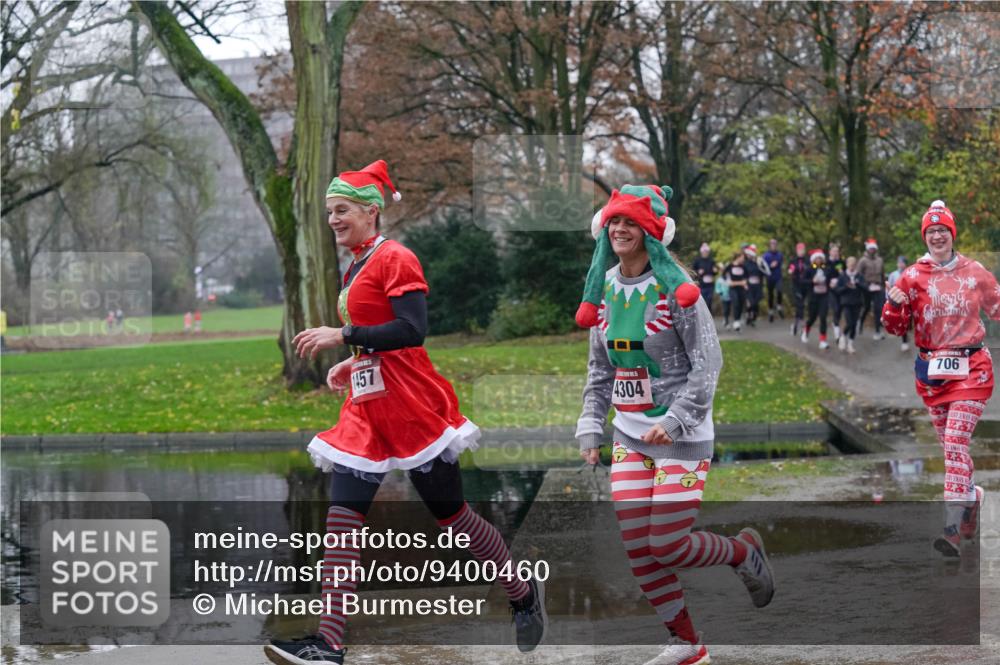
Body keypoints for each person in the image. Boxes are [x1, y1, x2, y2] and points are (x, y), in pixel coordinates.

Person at [264, 160, 547, 665]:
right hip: (367, 413)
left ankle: (521, 591)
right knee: (341, 521)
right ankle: (329, 644)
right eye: (330, 211)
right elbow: (380, 340)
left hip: (414, 408)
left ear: (371, 211)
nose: (333, 219)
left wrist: (343, 336)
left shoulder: (396, 258)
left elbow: (412, 331)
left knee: (453, 517)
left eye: (342, 209)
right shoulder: (357, 263)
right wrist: (352, 366)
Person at [575, 184, 774, 665]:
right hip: (629, 436)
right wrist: (590, 425)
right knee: (639, 549)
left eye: (632, 223)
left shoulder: (677, 290)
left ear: (651, 233)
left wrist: (678, 419)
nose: (621, 230)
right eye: (615, 222)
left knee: (666, 543)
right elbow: (601, 370)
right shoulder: (603, 287)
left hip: (683, 437)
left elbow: (709, 362)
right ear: (605, 230)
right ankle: (687, 644)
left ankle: (742, 553)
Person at [882, 200, 1000, 557]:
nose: (937, 236)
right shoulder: (912, 276)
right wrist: (894, 304)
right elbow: (894, 327)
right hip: (933, 376)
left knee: (954, 442)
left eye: (942, 230)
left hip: (973, 369)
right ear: (925, 236)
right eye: (931, 231)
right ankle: (973, 497)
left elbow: (997, 307)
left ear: (952, 234)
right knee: (952, 448)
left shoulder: (974, 271)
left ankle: (949, 530)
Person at [802, 249, 835, 349]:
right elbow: (803, 282)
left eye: (820, 258)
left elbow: (832, 279)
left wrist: (832, 283)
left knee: (823, 317)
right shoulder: (809, 269)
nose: (819, 260)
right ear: (813, 260)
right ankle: (806, 330)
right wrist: (812, 281)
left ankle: (823, 341)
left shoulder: (827, 269)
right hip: (813, 296)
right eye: (817, 258)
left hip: (824, 296)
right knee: (812, 317)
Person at [833, 256, 866, 354]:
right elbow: (837, 290)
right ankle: (843, 336)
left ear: (855, 265)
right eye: (850, 265)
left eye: (853, 265)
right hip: (846, 303)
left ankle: (850, 344)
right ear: (847, 265)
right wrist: (846, 287)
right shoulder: (842, 276)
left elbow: (865, 288)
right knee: (849, 322)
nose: (852, 267)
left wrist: (858, 284)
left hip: (857, 303)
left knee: (855, 324)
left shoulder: (859, 276)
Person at [858, 238, 885, 340]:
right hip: (867, 287)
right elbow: (858, 275)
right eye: (871, 248)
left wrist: (883, 285)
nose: (872, 250)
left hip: (878, 287)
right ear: (868, 249)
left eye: (874, 248)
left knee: (878, 309)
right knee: (867, 307)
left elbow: (882, 274)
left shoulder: (880, 260)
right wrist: (864, 286)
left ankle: (878, 331)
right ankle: (860, 322)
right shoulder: (863, 260)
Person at [743, 244, 770, 327]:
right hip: (749, 286)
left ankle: (753, 316)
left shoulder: (759, 262)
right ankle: (749, 316)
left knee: (755, 303)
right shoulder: (745, 263)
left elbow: (768, 272)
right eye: (747, 254)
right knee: (750, 303)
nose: (748, 255)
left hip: (758, 286)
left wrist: (762, 264)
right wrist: (744, 283)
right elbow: (743, 275)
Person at [787, 242, 811, 337]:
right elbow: (791, 269)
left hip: (806, 286)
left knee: (801, 307)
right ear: (797, 251)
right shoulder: (794, 261)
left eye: (803, 250)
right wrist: (791, 271)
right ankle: (802, 325)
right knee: (800, 305)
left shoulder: (808, 261)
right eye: (800, 250)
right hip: (796, 286)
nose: (801, 252)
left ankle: (795, 326)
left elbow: (813, 268)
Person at [887, 255, 910, 352]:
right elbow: (889, 287)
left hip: (909, 300)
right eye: (899, 262)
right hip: (898, 301)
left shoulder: (909, 273)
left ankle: (907, 334)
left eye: (903, 262)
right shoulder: (893, 275)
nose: (901, 264)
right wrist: (888, 299)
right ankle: (904, 341)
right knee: (902, 320)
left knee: (909, 320)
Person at [723, 252, 748, 332]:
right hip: (733, 289)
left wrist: (743, 282)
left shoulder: (743, 267)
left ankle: (738, 319)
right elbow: (724, 275)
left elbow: (746, 277)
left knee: (741, 303)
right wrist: (729, 282)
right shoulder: (730, 266)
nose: (743, 259)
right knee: (736, 303)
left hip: (741, 289)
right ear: (738, 257)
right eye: (742, 257)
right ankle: (736, 321)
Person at [826, 243, 846, 341]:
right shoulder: (826, 262)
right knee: (836, 309)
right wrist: (829, 282)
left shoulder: (841, 262)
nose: (835, 253)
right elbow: (823, 275)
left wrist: (840, 277)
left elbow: (845, 275)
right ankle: (837, 332)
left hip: (840, 290)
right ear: (830, 252)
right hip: (830, 290)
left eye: (837, 251)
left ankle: (835, 323)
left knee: (840, 309)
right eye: (833, 251)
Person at [763, 238, 784, 322]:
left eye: (775, 244)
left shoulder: (779, 255)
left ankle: (779, 305)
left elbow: (780, 262)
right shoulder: (766, 255)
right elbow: (763, 266)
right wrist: (770, 266)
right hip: (769, 277)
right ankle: (771, 311)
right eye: (772, 244)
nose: (773, 246)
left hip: (778, 276)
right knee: (770, 295)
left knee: (779, 290)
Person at [692, 243, 717, 312]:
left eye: (707, 252)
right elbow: (692, 271)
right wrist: (698, 272)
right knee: (703, 300)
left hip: (710, 284)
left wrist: (715, 271)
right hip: (701, 284)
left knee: (709, 299)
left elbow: (715, 271)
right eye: (704, 252)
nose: (705, 253)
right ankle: (702, 313)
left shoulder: (712, 261)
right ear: (701, 252)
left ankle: (709, 314)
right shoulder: (697, 261)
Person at [715, 261, 732, 330]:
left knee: (729, 309)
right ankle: (726, 321)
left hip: (730, 296)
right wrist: (720, 292)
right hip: (723, 297)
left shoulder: (730, 278)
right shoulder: (720, 279)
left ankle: (726, 318)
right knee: (725, 309)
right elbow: (717, 288)